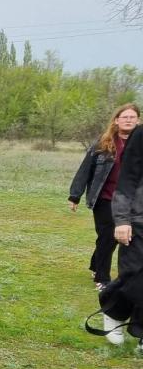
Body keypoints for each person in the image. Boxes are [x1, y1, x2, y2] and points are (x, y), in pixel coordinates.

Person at [68, 104, 138, 332]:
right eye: (124, 117)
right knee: (108, 237)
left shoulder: (139, 144)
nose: (128, 120)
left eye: (133, 117)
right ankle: (103, 277)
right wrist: (75, 195)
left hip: (132, 203)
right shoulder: (104, 143)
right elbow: (85, 169)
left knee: (119, 240)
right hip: (105, 199)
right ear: (116, 120)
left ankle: (94, 264)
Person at [107, 120, 143, 352]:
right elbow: (127, 179)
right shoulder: (140, 135)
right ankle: (113, 312)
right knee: (134, 275)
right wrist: (122, 220)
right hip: (139, 218)